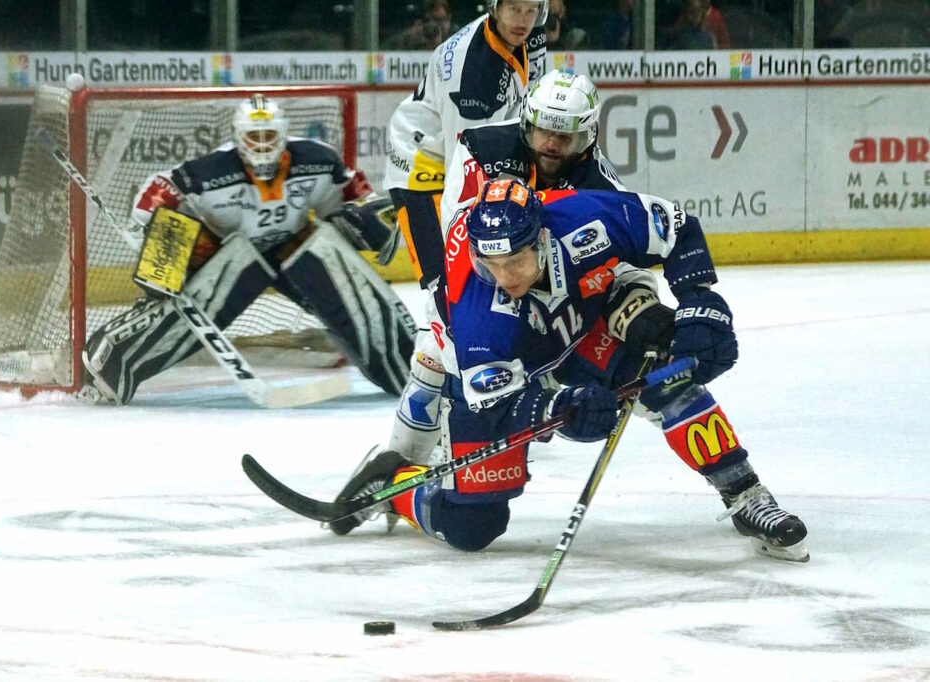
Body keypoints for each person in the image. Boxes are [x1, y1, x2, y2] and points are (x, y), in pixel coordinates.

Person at [329, 178, 810, 564]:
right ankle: (395, 487)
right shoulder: (476, 313)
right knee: (471, 527)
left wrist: (701, 300)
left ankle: (747, 496)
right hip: (487, 376)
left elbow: (678, 226)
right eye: (490, 263)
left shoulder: (584, 219)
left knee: (670, 377)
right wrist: (559, 406)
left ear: (540, 240)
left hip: (578, 328)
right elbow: (498, 405)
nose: (505, 276)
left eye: (515, 260)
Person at [79, 94, 414, 405]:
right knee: (179, 284)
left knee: (345, 288)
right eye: (254, 137)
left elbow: (353, 193)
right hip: (231, 257)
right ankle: (111, 362)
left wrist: (366, 217)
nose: (262, 145)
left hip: (293, 254)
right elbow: (160, 186)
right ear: (238, 138)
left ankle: (406, 365)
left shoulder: (316, 160)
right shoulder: (213, 172)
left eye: (269, 136)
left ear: (283, 134)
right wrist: (151, 225)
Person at [389, 69, 627, 464]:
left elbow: (618, 264)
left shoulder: (602, 186)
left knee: (634, 360)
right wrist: (450, 297)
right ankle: (395, 464)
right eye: (542, 132)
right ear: (526, 123)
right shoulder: (482, 146)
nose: (551, 146)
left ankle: (733, 479)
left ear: (587, 138)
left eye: (565, 136)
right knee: (434, 352)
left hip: (553, 300)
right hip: (481, 277)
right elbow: (458, 231)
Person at [383, 0, 549, 291]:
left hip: (458, 146)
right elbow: (466, 166)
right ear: (495, 8)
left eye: (531, 9)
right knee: (446, 284)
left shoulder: (529, 32)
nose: (523, 19)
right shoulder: (472, 78)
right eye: (514, 8)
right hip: (421, 164)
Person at [387, 0, 461, 50]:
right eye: (432, 21)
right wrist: (410, 37)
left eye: (440, 21)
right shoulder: (416, 35)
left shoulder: (458, 36)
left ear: (449, 17)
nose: (435, 27)